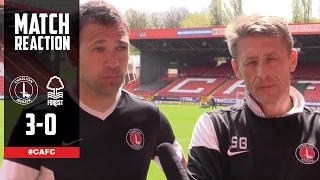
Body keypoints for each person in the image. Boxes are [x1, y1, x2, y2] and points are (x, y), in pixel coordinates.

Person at [0, 1, 186, 180]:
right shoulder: (38, 120)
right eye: (99, 49)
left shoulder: (150, 116)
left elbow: (183, 173)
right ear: (73, 56)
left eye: (121, 48)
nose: (113, 62)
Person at [187, 14, 320, 180]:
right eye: (251, 62)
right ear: (236, 69)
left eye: (271, 59)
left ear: (292, 60)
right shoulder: (214, 127)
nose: (262, 74)